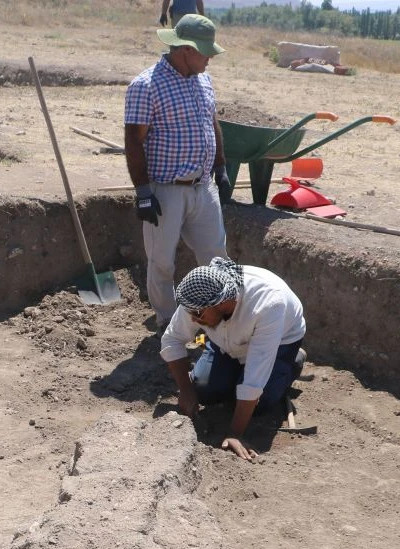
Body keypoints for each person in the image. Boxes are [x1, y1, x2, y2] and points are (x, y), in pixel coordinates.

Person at [124, 14, 233, 328]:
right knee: (162, 263)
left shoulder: (204, 80)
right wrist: (143, 192)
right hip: (166, 190)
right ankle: (168, 323)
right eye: (205, 51)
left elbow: (212, 124)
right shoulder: (146, 86)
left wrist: (221, 166)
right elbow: (134, 140)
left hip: (203, 188)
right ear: (185, 49)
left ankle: (222, 318)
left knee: (216, 255)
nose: (210, 57)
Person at [159, 258, 306, 461]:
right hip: (229, 343)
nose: (193, 319)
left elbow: (254, 380)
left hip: (279, 342)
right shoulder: (199, 297)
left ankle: (292, 363)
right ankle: (234, 374)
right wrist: (186, 390)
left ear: (221, 303)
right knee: (203, 389)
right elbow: (172, 339)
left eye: (198, 314)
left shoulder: (269, 304)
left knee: (261, 403)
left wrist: (235, 434)